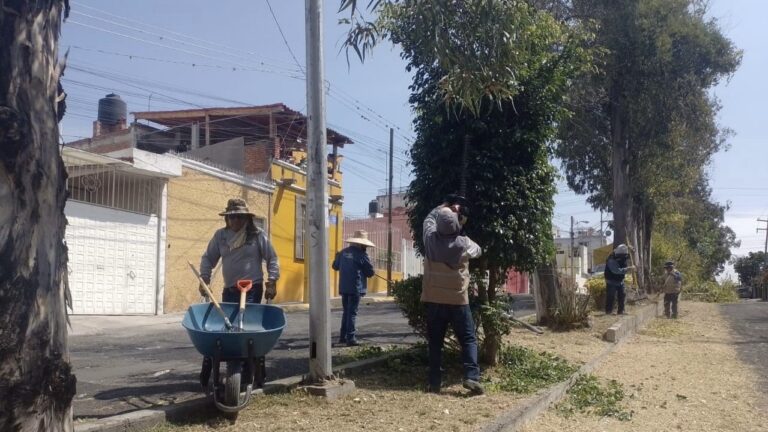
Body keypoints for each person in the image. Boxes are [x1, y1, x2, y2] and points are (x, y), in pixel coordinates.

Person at [198, 198, 280, 388]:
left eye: (239, 217)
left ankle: (248, 369)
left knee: (246, 328)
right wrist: (205, 278)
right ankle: (232, 365)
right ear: (227, 218)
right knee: (230, 328)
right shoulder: (221, 236)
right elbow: (208, 258)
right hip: (230, 290)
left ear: (246, 218)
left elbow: (272, 258)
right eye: (232, 217)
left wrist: (272, 281)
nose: (235, 221)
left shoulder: (257, 236)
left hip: (252, 288)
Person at [421, 201, 484, 395]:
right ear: (458, 223)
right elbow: (479, 251)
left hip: (434, 300)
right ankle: (471, 377)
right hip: (458, 301)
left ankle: (434, 382)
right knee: (468, 339)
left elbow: (428, 220)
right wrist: (460, 222)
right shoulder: (465, 244)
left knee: (435, 343)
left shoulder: (429, 240)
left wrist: (441, 207)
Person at [332, 230, 376, 346]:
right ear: (361, 244)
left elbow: (335, 266)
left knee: (346, 312)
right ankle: (350, 338)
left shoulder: (342, 253)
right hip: (356, 287)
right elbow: (370, 272)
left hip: (344, 287)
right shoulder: (362, 255)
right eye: (365, 245)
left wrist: (337, 256)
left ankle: (343, 337)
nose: (366, 247)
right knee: (352, 313)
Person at [604, 244, 634, 315]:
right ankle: (609, 311)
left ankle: (621, 311)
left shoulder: (622, 254)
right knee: (611, 296)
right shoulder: (611, 259)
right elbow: (616, 271)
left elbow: (628, 255)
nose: (625, 257)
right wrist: (629, 269)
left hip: (620, 280)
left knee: (622, 295)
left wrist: (632, 250)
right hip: (611, 280)